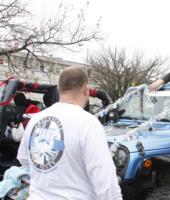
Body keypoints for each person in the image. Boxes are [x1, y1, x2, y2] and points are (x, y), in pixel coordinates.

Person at [17, 67, 122, 200]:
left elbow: (24, 159)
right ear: (86, 90)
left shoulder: (35, 119)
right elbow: (106, 182)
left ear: (59, 90)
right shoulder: (88, 123)